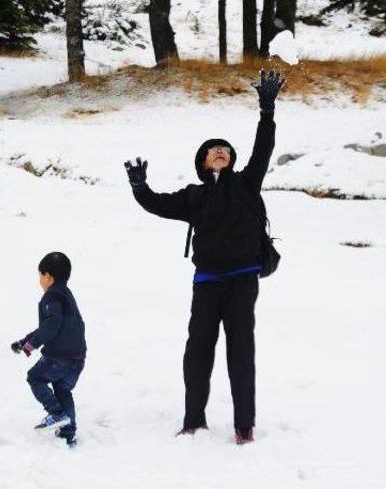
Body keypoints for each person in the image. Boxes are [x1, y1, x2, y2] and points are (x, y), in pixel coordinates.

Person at [124, 70, 285, 444]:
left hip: (243, 277)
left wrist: (267, 110)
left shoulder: (246, 183)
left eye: (225, 148)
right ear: (203, 161)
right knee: (197, 351)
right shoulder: (193, 196)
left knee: (241, 352)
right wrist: (139, 186)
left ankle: (244, 426)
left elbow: (263, 148)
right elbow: (156, 204)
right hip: (207, 282)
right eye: (213, 149)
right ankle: (193, 419)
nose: (220, 151)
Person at [11, 252, 86, 448]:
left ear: (48, 277)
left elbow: (51, 326)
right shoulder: (66, 295)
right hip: (77, 357)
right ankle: (68, 435)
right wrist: (25, 340)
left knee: (36, 377)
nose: (39, 280)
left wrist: (30, 345)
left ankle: (57, 413)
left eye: (40, 275)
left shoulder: (51, 296)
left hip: (59, 356)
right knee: (62, 389)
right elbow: (52, 325)